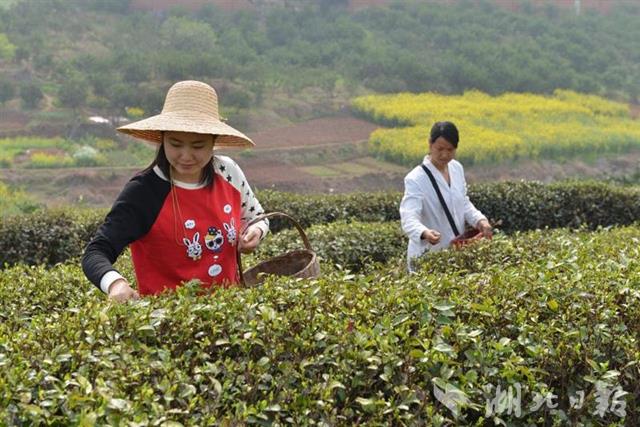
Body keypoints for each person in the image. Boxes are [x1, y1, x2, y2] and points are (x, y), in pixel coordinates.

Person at [82, 80, 269, 302]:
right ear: (162, 140)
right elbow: (96, 252)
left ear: (214, 141)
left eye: (198, 146)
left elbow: (258, 217)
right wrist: (115, 284)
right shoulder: (144, 192)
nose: (186, 156)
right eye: (176, 144)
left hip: (228, 316)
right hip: (169, 324)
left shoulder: (228, 172)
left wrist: (256, 233)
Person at [399, 121, 492, 271]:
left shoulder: (456, 168)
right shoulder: (415, 179)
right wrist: (424, 232)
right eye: (440, 149)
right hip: (428, 256)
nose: (445, 154)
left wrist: (479, 220)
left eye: (450, 150)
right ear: (430, 144)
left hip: (456, 252)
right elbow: (408, 217)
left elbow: (463, 202)